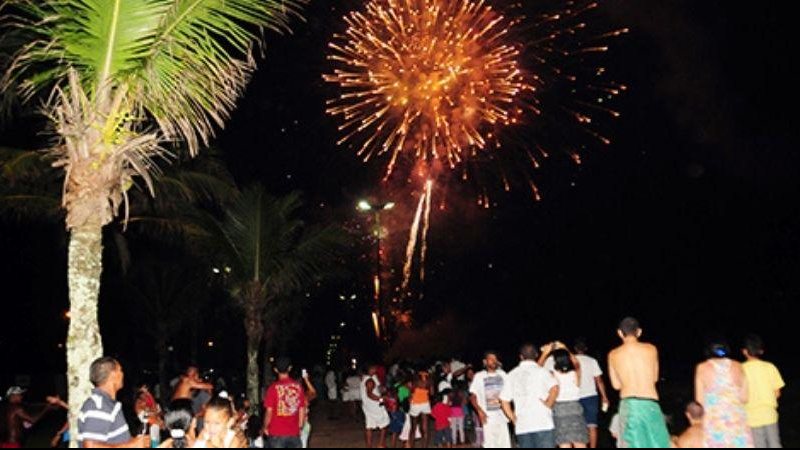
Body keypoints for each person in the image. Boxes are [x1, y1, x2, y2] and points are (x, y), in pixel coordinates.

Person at [607, 317, 670, 448]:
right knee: (659, 444)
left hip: (630, 406)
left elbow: (616, 385)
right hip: (651, 403)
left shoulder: (613, 354)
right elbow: (654, 377)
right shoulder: (651, 349)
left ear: (619, 333)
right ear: (639, 332)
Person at [77, 357, 150, 448]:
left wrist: (138, 442)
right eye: (120, 370)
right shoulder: (98, 405)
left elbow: (120, 442)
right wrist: (132, 445)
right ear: (113, 375)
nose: (123, 374)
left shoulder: (109, 404)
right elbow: (90, 446)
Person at [695, 338, 754, 448]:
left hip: (715, 421)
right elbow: (745, 398)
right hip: (737, 420)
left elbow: (699, 399)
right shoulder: (739, 366)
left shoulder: (702, 367)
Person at [500, 343, 559, 449]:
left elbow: (504, 400)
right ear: (536, 355)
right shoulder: (542, 371)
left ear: (521, 357)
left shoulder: (512, 374)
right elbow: (555, 388)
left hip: (523, 425)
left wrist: (513, 418)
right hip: (543, 422)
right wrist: (549, 404)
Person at [742, 334, 785, 448]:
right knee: (775, 444)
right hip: (769, 414)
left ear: (745, 351)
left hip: (751, 417)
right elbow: (777, 393)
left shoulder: (740, 369)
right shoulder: (770, 367)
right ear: (761, 351)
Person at [543, 346, 588, 449]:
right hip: (575, 408)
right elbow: (577, 363)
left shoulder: (552, 374)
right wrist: (565, 347)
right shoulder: (575, 373)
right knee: (579, 441)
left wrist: (545, 353)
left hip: (559, 410)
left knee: (564, 443)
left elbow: (537, 368)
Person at [573, 339, 610, 449]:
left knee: (576, 426)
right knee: (592, 426)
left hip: (575, 396)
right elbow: (599, 380)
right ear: (586, 349)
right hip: (591, 396)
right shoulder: (592, 361)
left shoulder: (572, 360)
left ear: (575, 349)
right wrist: (604, 397)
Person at [469, 351, 510, 448]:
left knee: (504, 445)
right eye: (491, 359)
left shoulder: (502, 374)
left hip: (502, 417)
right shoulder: (479, 376)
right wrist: (479, 411)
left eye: (495, 359)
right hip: (488, 418)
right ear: (485, 362)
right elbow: (472, 397)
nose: (494, 361)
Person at [263, 357, 306, 449]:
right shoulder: (298, 387)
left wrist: (265, 426)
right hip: (294, 432)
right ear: (290, 368)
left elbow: (269, 411)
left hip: (276, 433)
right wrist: (300, 426)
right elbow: (302, 408)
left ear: (275, 369)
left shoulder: (272, 388)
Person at [361, 364, 390, 448]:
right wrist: (380, 399)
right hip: (374, 405)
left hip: (367, 405)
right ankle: (381, 444)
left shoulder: (369, 377)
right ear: (369, 369)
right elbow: (369, 394)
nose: (375, 370)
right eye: (373, 368)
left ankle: (369, 445)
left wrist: (382, 389)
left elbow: (378, 387)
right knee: (384, 423)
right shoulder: (369, 381)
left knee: (369, 425)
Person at [408, 369, 432, 447]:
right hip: (425, 403)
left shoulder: (415, 380)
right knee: (425, 428)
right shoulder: (429, 380)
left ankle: (411, 446)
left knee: (413, 427)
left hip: (415, 403)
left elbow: (411, 391)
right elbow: (432, 393)